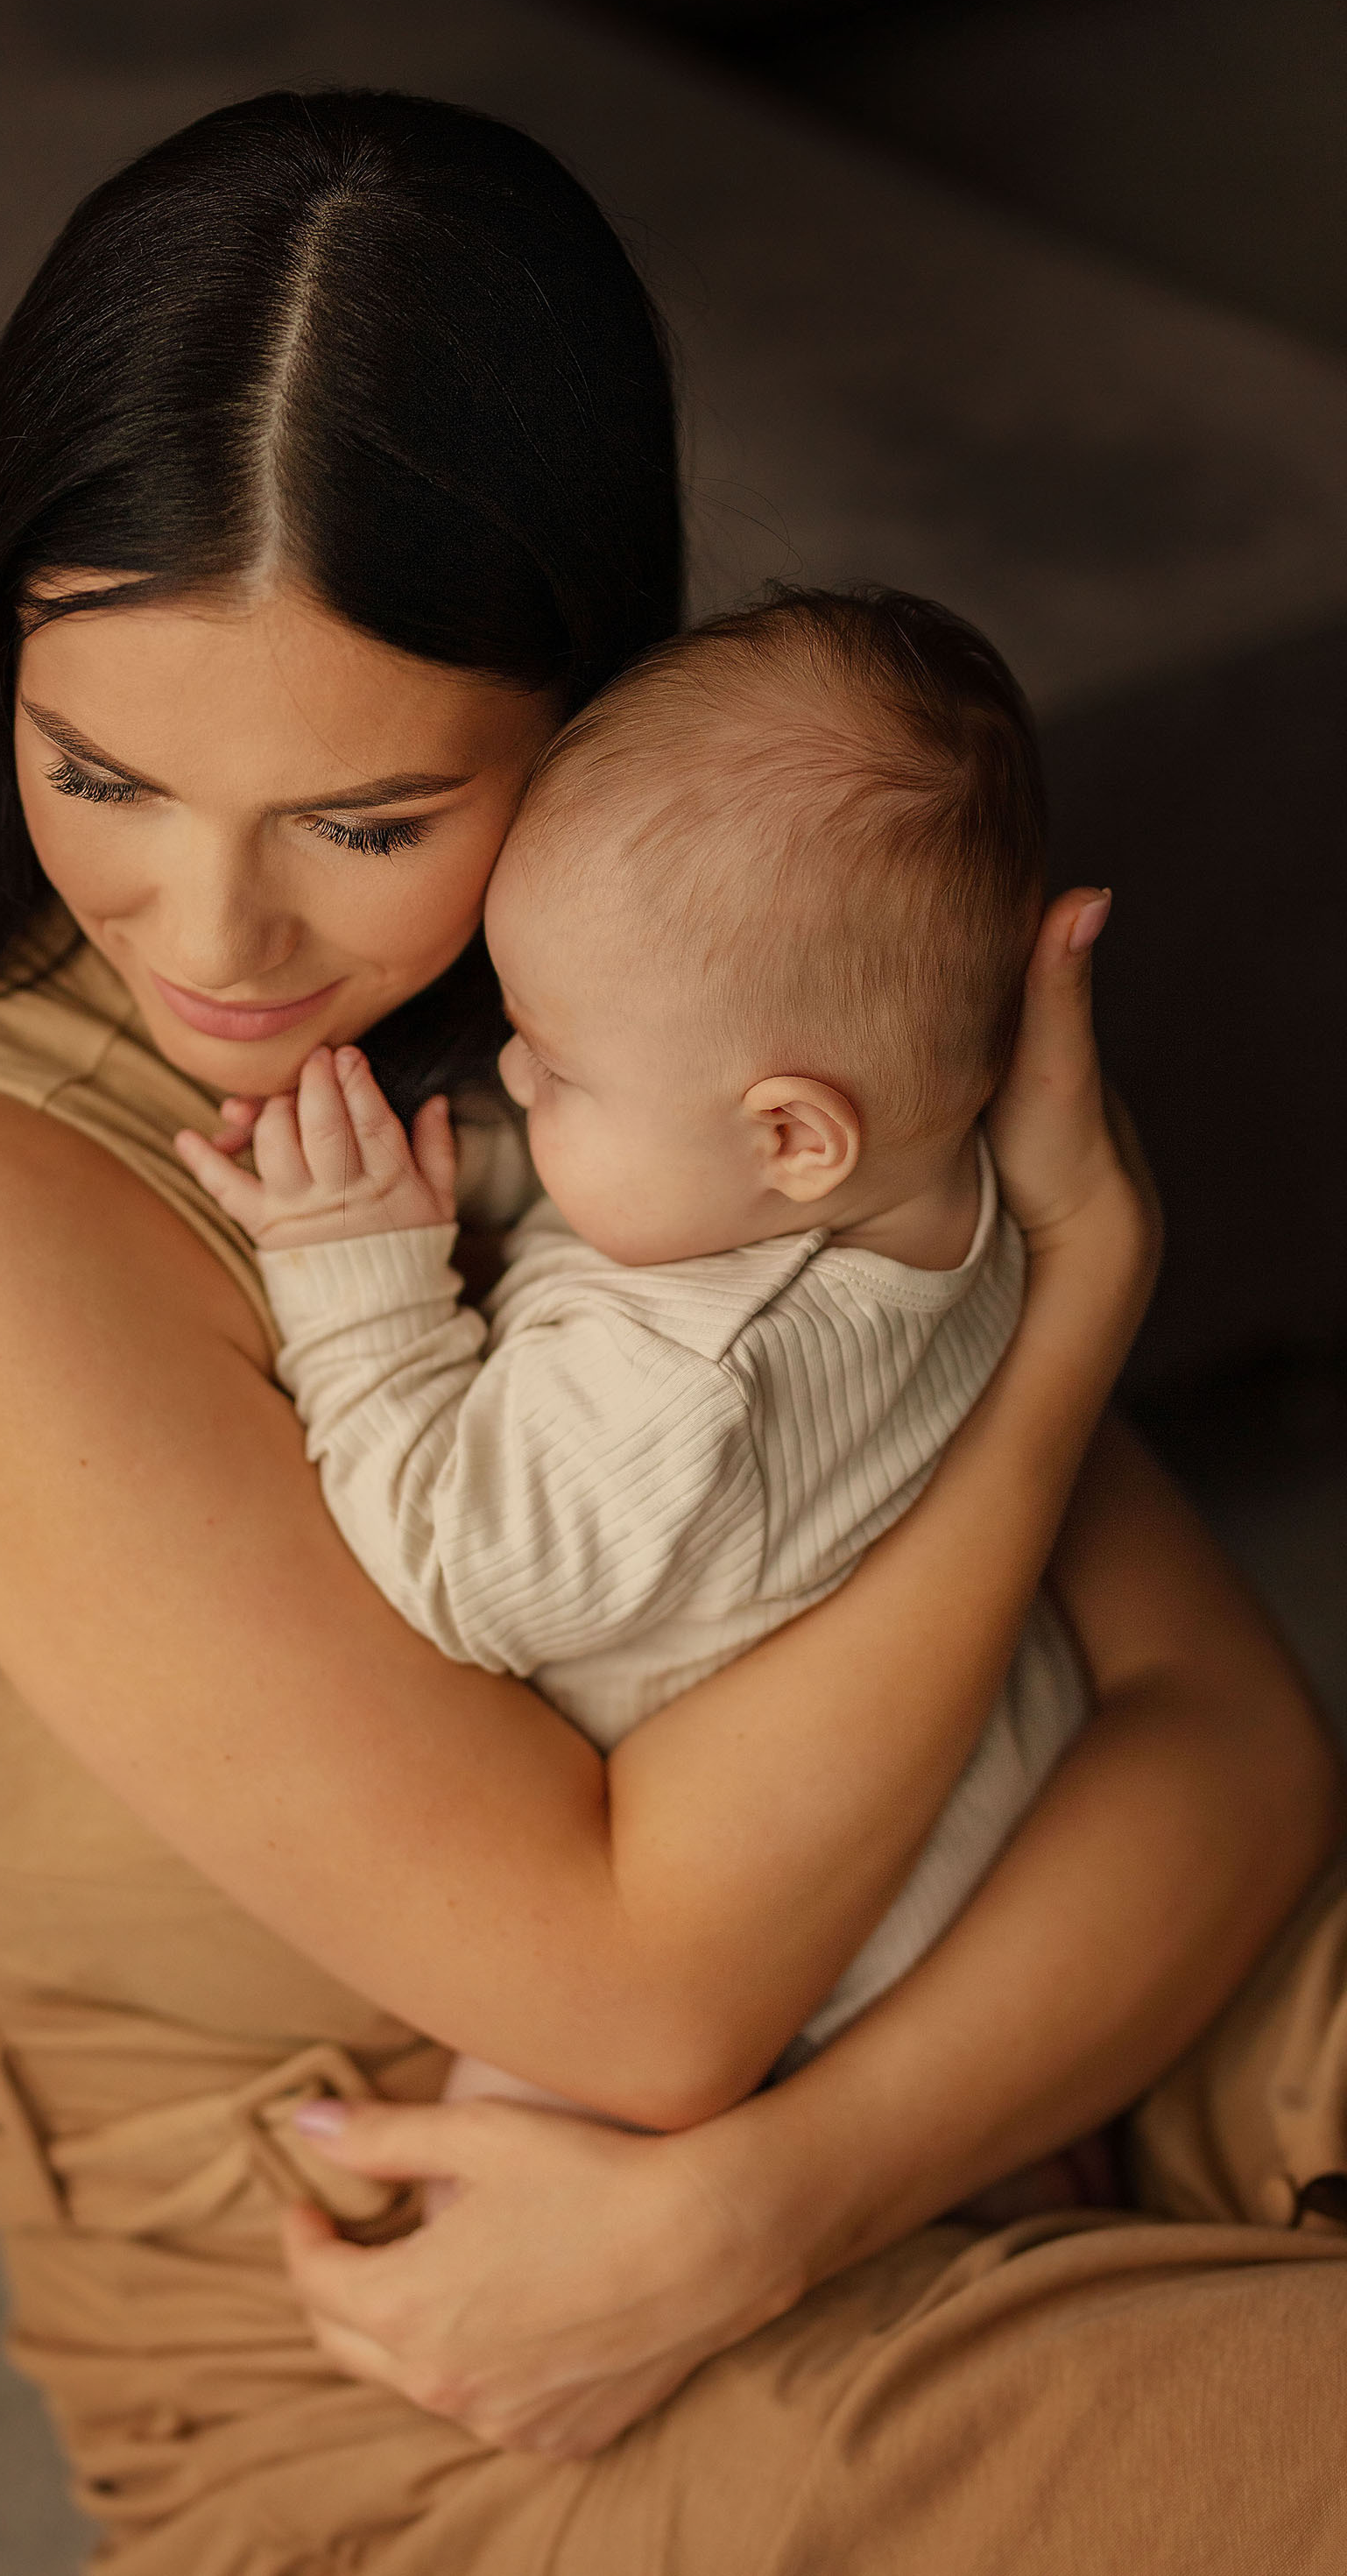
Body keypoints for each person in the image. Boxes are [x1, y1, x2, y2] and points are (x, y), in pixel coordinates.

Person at [0, 89, 1347, 2572]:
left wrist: (778, 2193)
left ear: (580, 724)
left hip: (923, 2106)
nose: (215, 934)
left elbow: (1227, 1751)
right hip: (480, 2386)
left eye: (366, 821)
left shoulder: (692, 1038)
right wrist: (1056, 1331)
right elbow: (645, 1996)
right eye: (102, 771)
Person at [175, 585, 1091, 2112]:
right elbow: (658, 1201)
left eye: (560, 1062)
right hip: (990, 1795)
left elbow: (457, 1570)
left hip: (821, 1976)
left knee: (498, 2128)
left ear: (791, 1134)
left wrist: (359, 1274)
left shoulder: (687, 1383)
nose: (515, 1065)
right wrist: (502, 1163)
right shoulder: (928, 1192)